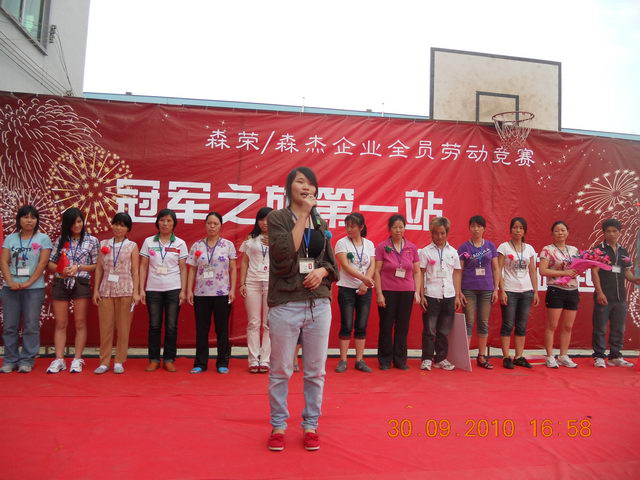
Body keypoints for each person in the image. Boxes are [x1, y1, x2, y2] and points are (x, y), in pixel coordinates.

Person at [266, 167, 338, 452]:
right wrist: (304, 214)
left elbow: (331, 264)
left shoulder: (320, 222)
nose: (306, 187)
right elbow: (283, 259)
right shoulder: (278, 218)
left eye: (310, 183)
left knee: (315, 371)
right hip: (286, 304)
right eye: (300, 182)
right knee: (281, 370)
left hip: (318, 305)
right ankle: (278, 425)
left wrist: (321, 271)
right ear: (289, 188)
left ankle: (310, 425)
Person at [46, 208, 98, 373]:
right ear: (67, 224)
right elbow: (50, 263)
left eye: (79, 221)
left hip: (81, 282)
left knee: (80, 322)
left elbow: (97, 265)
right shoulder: (61, 240)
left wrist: (79, 267)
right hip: (61, 282)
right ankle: (59, 359)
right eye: (73, 222)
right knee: (61, 323)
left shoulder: (92, 240)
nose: (77, 225)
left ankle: (77, 359)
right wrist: (60, 270)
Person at [0, 205, 52, 373]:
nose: (29, 220)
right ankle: (10, 359)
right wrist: (10, 281)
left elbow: (42, 264)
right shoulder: (10, 238)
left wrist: (29, 282)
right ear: (19, 219)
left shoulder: (43, 239)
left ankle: (27, 360)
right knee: (10, 326)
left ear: (37, 220)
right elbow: (3, 262)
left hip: (34, 288)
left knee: (31, 325)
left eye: (33, 217)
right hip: (10, 288)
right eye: (25, 217)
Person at [186, 211, 237, 374]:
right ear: (205, 225)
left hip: (222, 293)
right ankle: (200, 363)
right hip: (201, 293)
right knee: (202, 330)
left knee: (222, 330)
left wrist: (232, 289)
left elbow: (233, 268)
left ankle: (222, 362)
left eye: (215, 223)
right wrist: (189, 290)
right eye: (209, 223)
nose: (212, 226)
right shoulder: (197, 245)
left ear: (221, 226)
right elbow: (192, 269)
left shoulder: (228, 245)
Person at [139, 209, 188, 372]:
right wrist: (141, 289)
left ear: (174, 223)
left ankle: (169, 359)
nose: (165, 224)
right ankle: (153, 359)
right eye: (162, 220)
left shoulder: (180, 243)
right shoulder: (148, 242)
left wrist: (183, 290)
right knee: (154, 325)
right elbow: (143, 266)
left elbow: (183, 268)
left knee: (171, 326)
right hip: (153, 289)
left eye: (168, 221)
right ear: (157, 222)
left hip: (174, 288)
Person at [92, 213, 140, 374]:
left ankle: (119, 360)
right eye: (116, 224)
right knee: (105, 328)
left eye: (123, 225)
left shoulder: (132, 246)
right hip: (106, 290)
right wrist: (96, 290)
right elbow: (99, 268)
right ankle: (104, 361)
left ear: (128, 229)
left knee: (123, 328)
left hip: (125, 290)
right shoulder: (104, 244)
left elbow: (135, 270)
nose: (118, 228)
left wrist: (136, 292)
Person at [591, 218, 640, 368]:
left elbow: (627, 273)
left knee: (619, 328)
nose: (611, 234)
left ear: (619, 232)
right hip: (604, 296)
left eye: (614, 231)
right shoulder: (598, 250)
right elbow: (594, 272)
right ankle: (599, 356)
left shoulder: (624, 251)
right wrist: (599, 292)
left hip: (620, 298)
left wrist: (635, 279)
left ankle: (615, 356)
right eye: (608, 231)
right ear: (604, 233)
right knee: (600, 328)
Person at [374, 214, 421, 370]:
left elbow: (417, 272)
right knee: (386, 326)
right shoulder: (382, 247)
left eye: (401, 227)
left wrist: (417, 291)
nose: (398, 230)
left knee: (402, 327)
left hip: (407, 291)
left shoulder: (412, 248)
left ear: (405, 228)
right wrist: (379, 293)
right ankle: (385, 360)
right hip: (388, 291)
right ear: (389, 229)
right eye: (395, 227)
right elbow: (377, 271)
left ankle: (400, 360)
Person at [419, 217, 462, 371]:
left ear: (447, 233)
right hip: (431, 294)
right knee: (429, 330)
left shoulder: (453, 252)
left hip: (449, 295)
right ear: (432, 233)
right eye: (436, 233)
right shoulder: (425, 252)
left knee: (444, 331)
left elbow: (456, 274)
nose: (439, 236)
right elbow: (420, 273)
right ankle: (426, 359)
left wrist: (457, 295)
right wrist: (421, 295)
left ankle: (441, 358)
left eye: (442, 233)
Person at [334, 212, 375, 373]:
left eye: (353, 226)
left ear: (361, 227)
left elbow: (372, 265)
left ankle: (359, 360)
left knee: (361, 325)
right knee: (347, 324)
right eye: (347, 226)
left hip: (365, 290)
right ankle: (343, 360)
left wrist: (365, 283)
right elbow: (345, 266)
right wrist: (364, 279)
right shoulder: (342, 243)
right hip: (346, 289)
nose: (349, 229)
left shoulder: (369, 244)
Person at [457, 215, 499, 369]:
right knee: (468, 322)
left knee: (483, 322)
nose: (476, 229)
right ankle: (465, 357)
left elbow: (496, 268)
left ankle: (481, 356)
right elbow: (458, 271)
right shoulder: (464, 247)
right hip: (468, 289)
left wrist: (496, 289)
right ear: (469, 228)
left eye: (479, 226)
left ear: (484, 229)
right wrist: (459, 291)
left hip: (487, 289)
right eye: (473, 226)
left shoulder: (490, 246)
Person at [497, 217, 539, 369]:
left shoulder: (529, 249)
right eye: (515, 227)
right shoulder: (504, 247)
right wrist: (501, 290)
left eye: (521, 228)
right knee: (508, 324)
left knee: (521, 325)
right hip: (510, 290)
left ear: (524, 231)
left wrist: (535, 291)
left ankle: (519, 356)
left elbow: (532, 271)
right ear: (510, 230)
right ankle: (506, 356)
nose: (518, 230)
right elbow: (499, 270)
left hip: (526, 291)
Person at [539, 221, 580, 368]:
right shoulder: (547, 250)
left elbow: (578, 268)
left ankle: (563, 355)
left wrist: (580, 269)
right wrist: (564, 273)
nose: (560, 233)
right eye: (557, 230)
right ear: (552, 233)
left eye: (563, 230)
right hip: (556, 290)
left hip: (572, 290)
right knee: (552, 325)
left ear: (567, 232)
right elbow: (543, 270)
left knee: (568, 326)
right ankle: (550, 356)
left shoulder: (574, 250)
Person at [239, 207, 273, 373]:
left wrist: (275, 242)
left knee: (268, 324)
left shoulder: (281, 239)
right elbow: (244, 262)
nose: (264, 223)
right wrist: (242, 283)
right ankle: (253, 359)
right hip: (252, 283)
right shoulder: (251, 239)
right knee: (253, 323)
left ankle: (265, 360)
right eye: (261, 219)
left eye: (268, 219)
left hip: (271, 283)